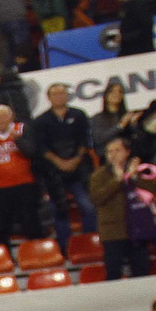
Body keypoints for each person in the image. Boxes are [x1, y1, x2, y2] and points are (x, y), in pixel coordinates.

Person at [30, 82, 97, 251]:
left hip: (79, 170)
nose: (60, 96)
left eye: (62, 93)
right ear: (49, 97)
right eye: (55, 94)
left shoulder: (79, 115)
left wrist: (76, 160)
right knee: (59, 209)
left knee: (88, 206)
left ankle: (91, 242)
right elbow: (41, 148)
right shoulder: (40, 121)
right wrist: (59, 162)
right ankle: (66, 247)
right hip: (53, 173)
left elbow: (85, 140)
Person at [91, 137, 156, 280]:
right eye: (109, 151)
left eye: (117, 150)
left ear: (127, 152)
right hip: (113, 232)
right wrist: (117, 181)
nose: (113, 154)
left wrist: (133, 177)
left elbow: (152, 192)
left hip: (138, 229)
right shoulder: (99, 175)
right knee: (113, 272)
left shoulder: (139, 172)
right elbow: (97, 198)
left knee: (141, 272)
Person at [0, 103, 41, 253]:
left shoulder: (21, 129)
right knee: (0, 227)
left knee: (31, 223)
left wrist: (18, 140)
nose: (1, 121)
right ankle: (4, 257)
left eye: (4, 117)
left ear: (11, 117)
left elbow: (33, 152)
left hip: (24, 184)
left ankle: (36, 255)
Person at [91, 80, 139, 155]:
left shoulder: (127, 115)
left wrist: (134, 125)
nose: (116, 94)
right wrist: (120, 126)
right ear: (106, 95)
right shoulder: (98, 118)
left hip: (128, 156)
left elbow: (136, 138)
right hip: (106, 157)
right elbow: (98, 139)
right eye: (112, 91)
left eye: (120, 92)